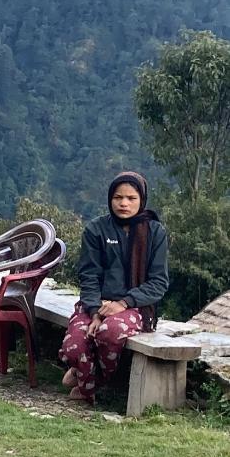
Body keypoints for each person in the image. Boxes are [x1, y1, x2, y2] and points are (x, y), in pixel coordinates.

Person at [59, 171, 169, 404]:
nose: (124, 203)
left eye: (131, 198)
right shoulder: (96, 230)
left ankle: (89, 383)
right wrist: (94, 312)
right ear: (110, 198)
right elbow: (89, 276)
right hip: (95, 303)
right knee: (74, 344)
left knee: (110, 332)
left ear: (142, 201)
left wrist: (123, 303)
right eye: (118, 197)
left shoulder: (155, 233)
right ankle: (86, 378)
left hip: (134, 307)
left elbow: (158, 283)